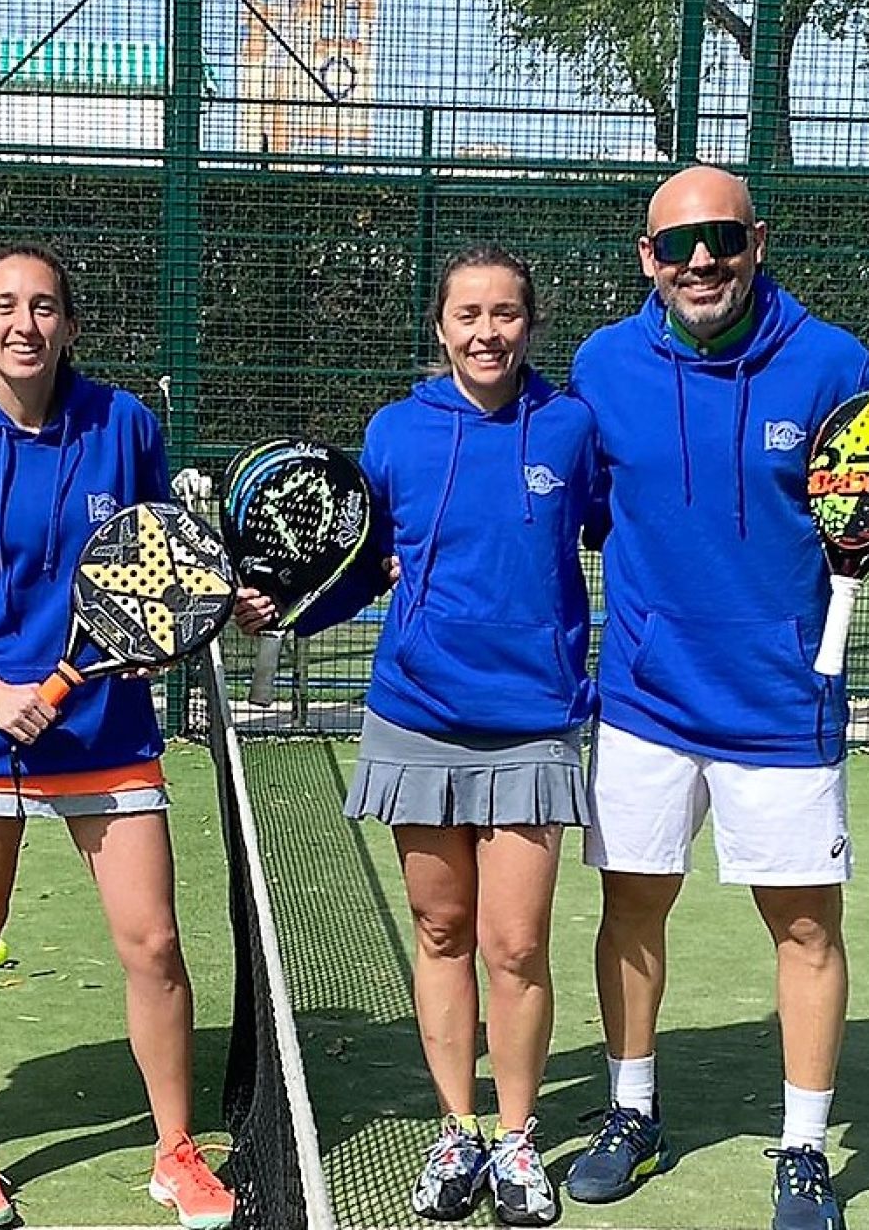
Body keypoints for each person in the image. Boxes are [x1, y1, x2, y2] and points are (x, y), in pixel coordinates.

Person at [562, 165, 869, 1230]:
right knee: (632, 907)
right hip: (644, 700)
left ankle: (805, 1150)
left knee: (805, 926)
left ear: (757, 242)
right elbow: (578, 508)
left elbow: (866, 504)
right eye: (678, 244)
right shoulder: (602, 364)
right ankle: (633, 1111)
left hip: (782, 703)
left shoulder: (832, 362)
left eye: (722, 238)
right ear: (647, 257)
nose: (702, 262)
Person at [235, 245, 599, 1227]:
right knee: (441, 932)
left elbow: (623, 530)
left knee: (515, 944)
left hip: (534, 726)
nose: (487, 332)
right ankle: (458, 1130)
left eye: (506, 313)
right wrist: (286, 607)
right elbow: (358, 565)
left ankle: (516, 1137)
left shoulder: (571, 429)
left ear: (531, 324)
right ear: (440, 326)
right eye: (468, 314)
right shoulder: (395, 432)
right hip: (415, 717)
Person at [0, 243, 235, 1230]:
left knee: (154, 940)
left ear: (70, 324)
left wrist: (151, 642)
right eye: (5, 305)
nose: (24, 323)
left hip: (105, 730)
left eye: (43, 305)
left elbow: (158, 558)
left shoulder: (124, 425)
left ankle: (176, 1149)